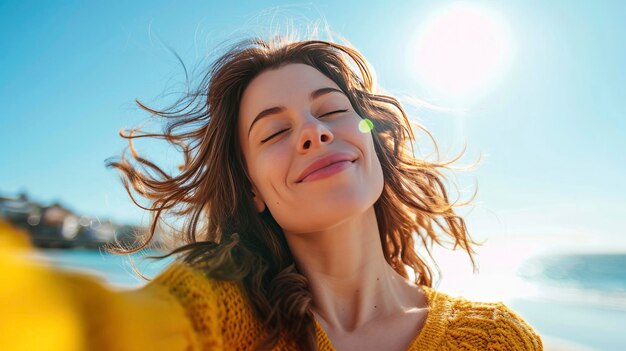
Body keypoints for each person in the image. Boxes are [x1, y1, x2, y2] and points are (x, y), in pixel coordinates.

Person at [0, 35, 543, 351]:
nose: (313, 130)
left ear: (374, 141)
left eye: (331, 110)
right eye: (275, 132)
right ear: (253, 190)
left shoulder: (497, 340)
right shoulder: (220, 314)